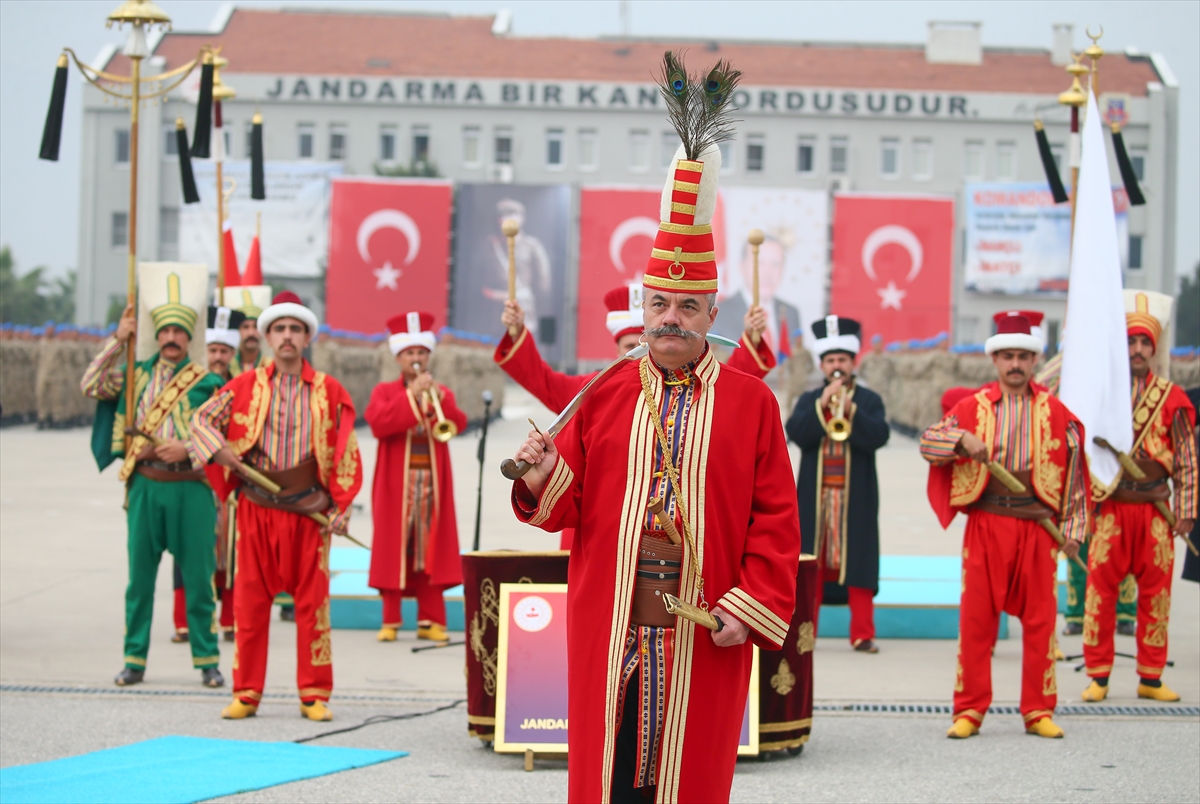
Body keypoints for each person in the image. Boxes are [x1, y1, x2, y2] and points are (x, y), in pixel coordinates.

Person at [509, 93, 801, 800]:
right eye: (659, 306)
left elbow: (776, 523)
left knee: (688, 776)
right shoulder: (606, 389)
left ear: (712, 311)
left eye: (686, 308)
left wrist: (753, 601)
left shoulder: (751, 400)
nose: (670, 321)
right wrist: (547, 473)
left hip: (703, 623)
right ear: (642, 307)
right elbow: (564, 508)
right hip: (609, 617)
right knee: (609, 774)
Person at [191, 291, 362, 721]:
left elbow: (346, 451)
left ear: (307, 338)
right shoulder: (243, 386)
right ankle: (246, 691)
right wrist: (221, 452)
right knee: (249, 604)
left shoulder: (330, 391)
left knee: (312, 604)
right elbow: (201, 420)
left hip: (309, 511)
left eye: (295, 329)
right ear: (267, 337)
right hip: (256, 507)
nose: (287, 337)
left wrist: (342, 506)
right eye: (279, 329)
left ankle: (314, 693)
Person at [920, 311, 1090, 739]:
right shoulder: (970, 408)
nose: (1015, 363)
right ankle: (970, 709)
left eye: (1023, 356)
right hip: (987, 521)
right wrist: (959, 439)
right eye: (1007, 356)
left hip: (1037, 526)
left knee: (1039, 621)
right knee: (977, 620)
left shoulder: (1057, 412)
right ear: (995, 361)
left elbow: (1075, 474)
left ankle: (1038, 710)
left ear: (1035, 361)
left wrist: (1074, 530)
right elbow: (927, 444)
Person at [80, 270, 225, 688]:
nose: (172, 338)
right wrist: (118, 339)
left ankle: (207, 660)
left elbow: (222, 434)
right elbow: (90, 385)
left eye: (180, 330)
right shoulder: (135, 374)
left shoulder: (209, 381)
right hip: (144, 486)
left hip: (192, 487)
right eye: (165, 331)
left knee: (199, 580)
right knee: (139, 581)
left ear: (189, 336)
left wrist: (187, 447)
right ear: (156, 336)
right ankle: (134, 659)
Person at [1081, 291, 1197, 703]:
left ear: (1154, 348)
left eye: (1145, 343)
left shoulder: (1173, 398)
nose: (1138, 350)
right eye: (1131, 341)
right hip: (1112, 507)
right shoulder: (1102, 398)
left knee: (1157, 596)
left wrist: (1186, 510)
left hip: (1154, 511)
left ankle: (1150, 676)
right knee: (1100, 592)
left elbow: (1186, 457)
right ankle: (1098, 674)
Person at [786, 316, 890, 652]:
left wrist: (851, 410)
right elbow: (796, 433)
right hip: (815, 497)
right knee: (811, 564)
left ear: (852, 362)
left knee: (857, 562)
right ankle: (806, 633)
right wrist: (821, 405)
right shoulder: (809, 398)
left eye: (842, 360)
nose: (836, 366)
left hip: (854, 497)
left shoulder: (869, 400)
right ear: (822, 364)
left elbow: (878, 437)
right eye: (830, 360)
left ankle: (862, 633)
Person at [367, 312, 468, 644]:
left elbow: (457, 424)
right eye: (409, 353)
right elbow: (380, 423)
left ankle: (431, 619)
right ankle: (391, 619)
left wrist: (438, 400)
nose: (416, 358)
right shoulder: (384, 391)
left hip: (431, 484)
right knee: (394, 547)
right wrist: (411, 395)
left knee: (430, 550)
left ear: (429, 355)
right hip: (397, 484)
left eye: (421, 352)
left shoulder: (441, 392)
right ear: (398, 357)